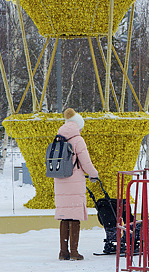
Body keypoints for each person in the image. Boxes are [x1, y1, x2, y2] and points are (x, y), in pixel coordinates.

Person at [54, 108, 99, 261]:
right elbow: (86, 162)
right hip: (75, 181)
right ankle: (74, 251)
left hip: (60, 180)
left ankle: (63, 252)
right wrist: (94, 175)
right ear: (79, 126)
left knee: (64, 216)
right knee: (74, 217)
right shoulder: (78, 140)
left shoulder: (59, 138)